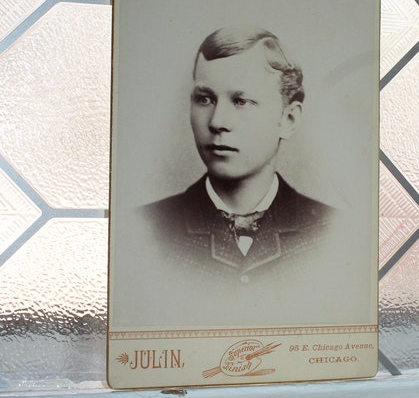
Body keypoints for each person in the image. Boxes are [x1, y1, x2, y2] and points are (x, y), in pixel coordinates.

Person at [139, 26, 337, 285]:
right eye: (205, 99)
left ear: (288, 119)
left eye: (241, 101)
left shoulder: (333, 232)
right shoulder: (143, 230)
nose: (217, 122)